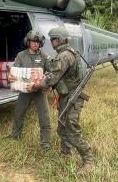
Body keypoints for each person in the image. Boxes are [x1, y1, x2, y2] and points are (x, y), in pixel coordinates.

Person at [27, 27, 94, 174]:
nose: (51, 42)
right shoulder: (68, 52)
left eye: (53, 39)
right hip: (66, 96)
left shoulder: (64, 56)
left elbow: (52, 78)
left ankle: (88, 160)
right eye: (51, 39)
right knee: (62, 127)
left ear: (60, 39)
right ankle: (65, 153)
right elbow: (59, 76)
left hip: (72, 98)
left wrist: (36, 85)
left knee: (72, 130)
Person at [7, 30, 52, 151]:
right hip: (25, 90)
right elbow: (14, 71)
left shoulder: (44, 56)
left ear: (40, 43)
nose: (35, 44)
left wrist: (45, 78)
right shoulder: (21, 55)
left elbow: (51, 72)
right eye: (33, 41)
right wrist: (10, 76)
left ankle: (46, 143)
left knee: (44, 116)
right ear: (28, 42)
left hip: (39, 90)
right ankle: (15, 135)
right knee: (19, 112)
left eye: (37, 42)